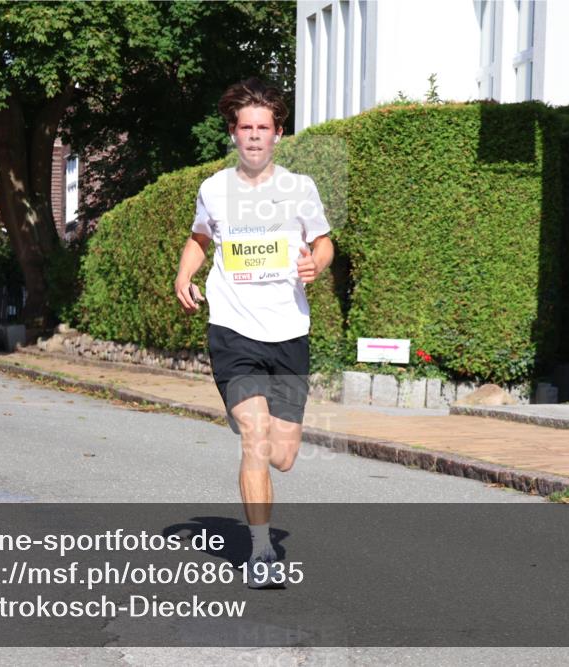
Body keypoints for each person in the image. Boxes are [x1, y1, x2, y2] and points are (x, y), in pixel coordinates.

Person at [174, 78, 334, 588]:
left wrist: (317, 265)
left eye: (264, 127)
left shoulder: (300, 188)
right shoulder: (214, 188)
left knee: (283, 456)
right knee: (255, 436)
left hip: (289, 330)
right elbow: (200, 239)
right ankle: (261, 553)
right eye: (246, 128)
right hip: (233, 329)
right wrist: (185, 274)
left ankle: (259, 447)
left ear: (278, 134)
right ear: (233, 133)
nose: (255, 136)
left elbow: (323, 242)